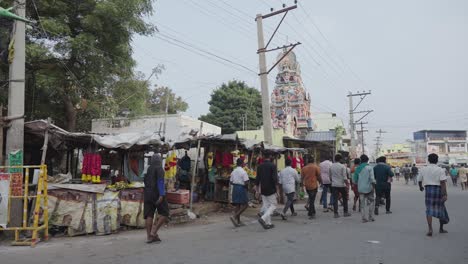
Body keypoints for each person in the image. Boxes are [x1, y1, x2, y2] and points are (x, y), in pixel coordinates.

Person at [418, 153, 449, 236]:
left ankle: (430, 229)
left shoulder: (423, 169)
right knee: (441, 209)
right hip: (438, 190)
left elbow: (419, 180)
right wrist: (445, 194)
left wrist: (420, 187)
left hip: (428, 190)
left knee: (429, 210)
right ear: (437, 160)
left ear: (428, 160)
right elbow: (443, 183)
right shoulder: (440, 170)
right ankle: (441, 228)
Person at [144, 154, 170, 243]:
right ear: (159, 161)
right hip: (157, 194)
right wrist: (162, 195)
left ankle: (149, 237)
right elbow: (160, 181)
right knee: (165, 212)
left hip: (147, 194)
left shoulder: (147, 169)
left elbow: (144, 180)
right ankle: (153, 232)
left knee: (149, 215)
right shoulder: (159, 169)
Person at [255, 153, 279, 229]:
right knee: (274, 205)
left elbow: (257, 180)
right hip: (271, 188)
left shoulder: (259, 166)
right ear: (270, 156)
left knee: (266, 206)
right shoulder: (273, 166)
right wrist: (278, 191)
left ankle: (268, 223)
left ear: (263, 157)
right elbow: (275, 179)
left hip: (263, 188)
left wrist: (257, 191)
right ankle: (263, 218)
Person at [353, 154, 376, 223]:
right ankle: (370, 216)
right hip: (369, 188)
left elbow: (354, 180)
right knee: (372, 201)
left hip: (360, 189)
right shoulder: (370, 168)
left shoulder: (357, 168)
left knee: (362, 204)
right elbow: (372, 179)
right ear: (367, 160)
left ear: (361, 160)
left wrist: (358, 184)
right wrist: (374, 186)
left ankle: (363, 218)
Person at [229, 158, 250, 227]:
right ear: (242, 164)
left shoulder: (233, 171)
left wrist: (236, 183)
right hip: (241, 188)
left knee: (237, 205)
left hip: (235, 188)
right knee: (245, 204)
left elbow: (231, 182)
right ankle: (235, 216)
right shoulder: (243, 171)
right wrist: (247, 189)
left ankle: (238, 222)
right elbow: (246, 182)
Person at [329, 154, 350, 218]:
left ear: (335, 159)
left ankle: (336, 213)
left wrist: (333, 181)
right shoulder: (343, 166)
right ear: (340, 159)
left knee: (335, 199)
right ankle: (345, 212)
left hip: (334, 185)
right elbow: (344, 177)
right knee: (345, 198)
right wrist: (347, 185)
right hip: (342, 185)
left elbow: (330, 177)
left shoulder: (331, 166)